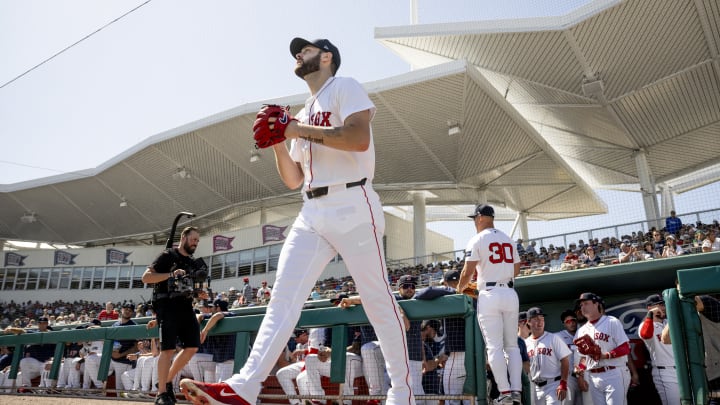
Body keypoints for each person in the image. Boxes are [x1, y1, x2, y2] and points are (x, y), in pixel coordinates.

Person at [180, 37, 414, 405]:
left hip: (353, 200)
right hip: (311, 209)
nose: (297, 55)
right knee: (282, 301)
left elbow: (357, 137)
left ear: (326, 57)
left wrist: (294, 130)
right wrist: (276, 139)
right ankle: (244, 386)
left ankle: (402, 393)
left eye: (304, 50)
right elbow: (292, 178)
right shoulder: (302, 112)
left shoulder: (345, 86)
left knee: (376, 300)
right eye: (296, 51)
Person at [457, 204, 522, 405]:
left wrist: (460, 288)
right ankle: (517, 391)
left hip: (490, 294)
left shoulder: (477, 239)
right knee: (512, 346)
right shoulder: (507, 238)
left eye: (474, 218)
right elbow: (516, 270)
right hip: (510, 292)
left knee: (494, 347)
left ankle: (504, 392)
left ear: (479, 218)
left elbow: (467, 272)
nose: (474, 222)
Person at [142, 226, 204, 405]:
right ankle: (162, 393)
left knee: (192, 346)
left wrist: (199, 294)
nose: (196, 243)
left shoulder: (192, 262)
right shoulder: (168, 256)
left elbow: (190, 288)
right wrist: (170, 274)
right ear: (183, 238)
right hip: (167, 306)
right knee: (167, 349)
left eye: (198, 241)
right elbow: (146, 278)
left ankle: (166, 380)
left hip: (186, 306)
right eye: (193, 239)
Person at [574, 292, 631, 405]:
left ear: (596, 304)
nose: (583, 307)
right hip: (593, 376)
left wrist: (606, 355)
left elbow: (625, 348)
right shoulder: (581, 331)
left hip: (614, 372)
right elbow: (583, 359)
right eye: (581, 305)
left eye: (586, 303)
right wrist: (580, 370)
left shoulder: (611, 322)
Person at [524, 307, 571, 405]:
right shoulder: (525, 343)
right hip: (535, 387)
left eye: (542, 319)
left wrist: (563, 383)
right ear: (528, 321)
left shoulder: (553, 338)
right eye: (536, 319)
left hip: (553, 385)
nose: (540, 322)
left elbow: (565, 360)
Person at [638, 294, 678, 405]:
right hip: (665, 372)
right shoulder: (644, 325)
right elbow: (645, 334)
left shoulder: (668, 323)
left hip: (681, 369)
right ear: (650, 307)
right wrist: (650, 315)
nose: (664, 307)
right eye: (660, 305)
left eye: (664, 304)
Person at [554, 310, 581, 405]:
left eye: (573, 320)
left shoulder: (583, 333)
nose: (572, 323)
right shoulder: (557, 337)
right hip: (569, 378)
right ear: (564, 324)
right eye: (568, 322)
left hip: (583, 376)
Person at [110, 303, 139, 394]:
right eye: (126, 309)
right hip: (112, 359)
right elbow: (109, 342)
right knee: (91, 361)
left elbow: (136, 347)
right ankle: (97, 389)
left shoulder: (134, 326)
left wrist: (120, 355)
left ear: (132, 313)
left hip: (124, 361)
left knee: (119, 389)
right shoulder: (115, 325)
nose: (127, 311)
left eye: (130, 310)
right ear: (121, 310)